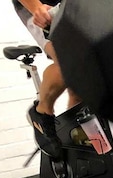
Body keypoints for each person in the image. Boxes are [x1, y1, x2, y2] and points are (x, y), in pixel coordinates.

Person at [12, 0, 80, 159]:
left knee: (80, 85)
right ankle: (42, 111)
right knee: (69, 61)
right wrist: (37, 8)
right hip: (43, 8)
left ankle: (78, 143)